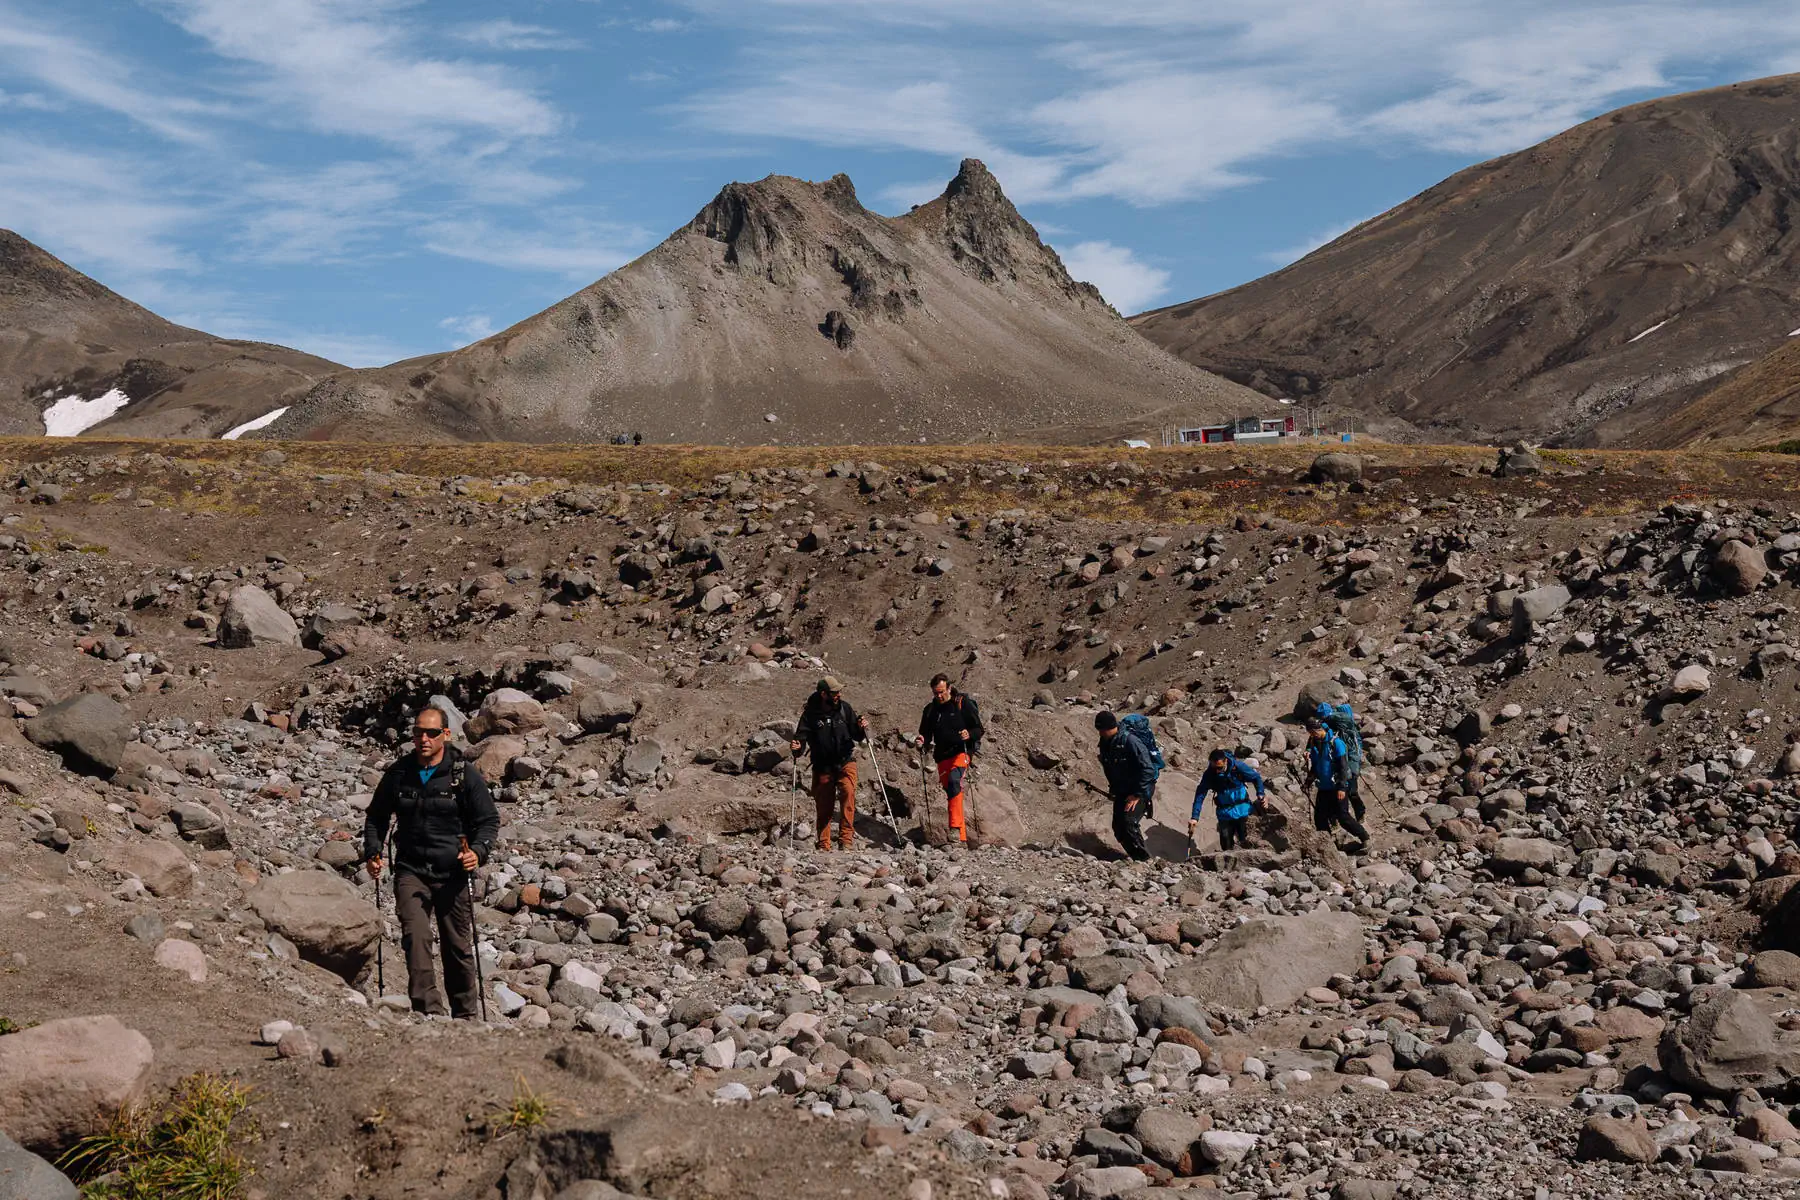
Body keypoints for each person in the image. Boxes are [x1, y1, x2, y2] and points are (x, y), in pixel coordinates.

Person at [362, 705, 499, 1018]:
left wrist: (477, 852)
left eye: (431, 733)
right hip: (411, 870)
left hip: (453, 873)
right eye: (418, 732)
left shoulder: (463, 774)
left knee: (457, 947)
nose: (423, 738)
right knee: (416, 937)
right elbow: (377, 816)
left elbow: (488, 820)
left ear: (445, 735)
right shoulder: (399, 773)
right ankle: (430, 1013)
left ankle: (465, 1017)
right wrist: (373, 851)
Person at [790, 676, 868, 850]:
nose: (838, 694)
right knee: (825, 804)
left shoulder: (844, 709)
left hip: (845, 760)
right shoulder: (810, 715)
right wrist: (796, 747)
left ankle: (846, 840)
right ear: (823, 694)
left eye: (839, 691)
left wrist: (861, 728)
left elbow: (856, 734)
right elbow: (800, 741)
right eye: (834, 692)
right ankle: (824, 844)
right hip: (822, 765)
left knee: (848, 793)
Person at [915, 673, 983, 844]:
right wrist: (922, 740)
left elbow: (978, 728)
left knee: (954, 782)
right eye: (936, 693)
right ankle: (960, 839)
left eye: (942, 692)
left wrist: (969, 734)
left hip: (962, 751)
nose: (939, 696)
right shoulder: (930, 710)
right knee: (951, 790)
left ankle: (954, 829)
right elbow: (926, 734)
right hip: (942, 756)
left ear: (949, 688)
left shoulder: (962, 704)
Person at [1095, 711, 1154, 861]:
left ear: (1109, 727)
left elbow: (1148, 769)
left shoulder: (1131, 741)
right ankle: (1136, 857)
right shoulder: (1105, 742)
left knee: (1129, 822)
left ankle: (1146, 861)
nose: (1100, 733)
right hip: (1122, 790)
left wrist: (1137, 795)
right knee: (1118, 828)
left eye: (1101, 729)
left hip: (1139, 789)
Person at [1305, 717, 1370, 851]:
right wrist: (1308, 781)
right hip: (1323, 786)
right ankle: (1328, 845)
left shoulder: (1336, 743)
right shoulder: (1314, 742)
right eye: (1310, 733)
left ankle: (1365, 838)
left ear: (1319, 729)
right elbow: (1316, 765)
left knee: (1343, 817)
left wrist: (1341, 787)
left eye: (1313, 732)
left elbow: (1343, 766)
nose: (1312, 735)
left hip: (1337, 787)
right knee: (1320, 818)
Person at [1190, 748, 1265, 851]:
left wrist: (1260, 793)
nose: (1217, 770)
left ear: (1225, 761)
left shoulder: (1238, 767)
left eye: (1219, 767)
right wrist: (1194, 817)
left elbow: (1256, 777)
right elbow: (1200, 795)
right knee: (1226, 844)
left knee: (1245, 841)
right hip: (1224, 814)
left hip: (1243, 811)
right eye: (1214, 767)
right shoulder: (1209, 774)